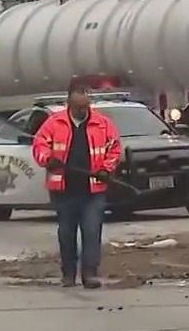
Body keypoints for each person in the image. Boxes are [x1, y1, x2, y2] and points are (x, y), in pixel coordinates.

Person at [32, 82, 122, 288]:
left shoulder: (102, 124)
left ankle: (89, 273)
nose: (83, 111)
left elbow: (114, 148)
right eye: (79, 108)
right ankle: (69, 273)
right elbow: (39, 144)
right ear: (69, 105)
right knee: (66, 233)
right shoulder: (54, 123)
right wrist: (48, 159)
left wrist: (106, 169)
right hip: (64, 191)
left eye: (86, 107)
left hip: (93, 190)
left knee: (91, 231)